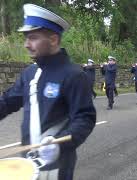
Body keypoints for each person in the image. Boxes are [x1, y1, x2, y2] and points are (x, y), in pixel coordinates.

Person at [0, 4, 96, 179]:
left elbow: (85, 118)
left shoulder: (74, 75)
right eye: (26, 38)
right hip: (28, 165)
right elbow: (7, 102)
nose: (26, 45)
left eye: (33, 38)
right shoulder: (29, 73)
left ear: (53, 39)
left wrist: (60, 144)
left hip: (58, 166)